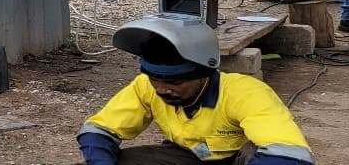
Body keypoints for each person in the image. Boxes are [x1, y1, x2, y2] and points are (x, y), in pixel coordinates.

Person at [78, 17, 314, 165]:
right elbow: (98, 131)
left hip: (240, 159)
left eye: (175, 83)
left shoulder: (245, 92)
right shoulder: (144, 86)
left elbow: (290, 156)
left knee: (257, 153)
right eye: (154, 79)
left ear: (204, 75)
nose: (161, 90)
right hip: (185, 155)